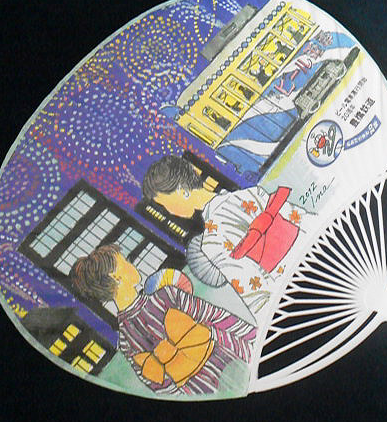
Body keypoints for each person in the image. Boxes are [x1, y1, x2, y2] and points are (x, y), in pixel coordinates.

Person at [142, 155, 316, 326]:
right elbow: (304, 220)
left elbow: (257, 295)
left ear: (182, 191)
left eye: (165, 204)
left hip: (294, 288)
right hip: (313, 254)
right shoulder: (249, 194)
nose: (169, 212)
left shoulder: (212, 241)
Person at [70, 244, 256, 397]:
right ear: (115, 276)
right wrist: (251, 343)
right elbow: (217, 317)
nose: (131, 264)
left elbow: (164, 389)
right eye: (125, 262)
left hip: (200, 390)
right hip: (225, 358)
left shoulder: (126, 340)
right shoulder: (165, 296)